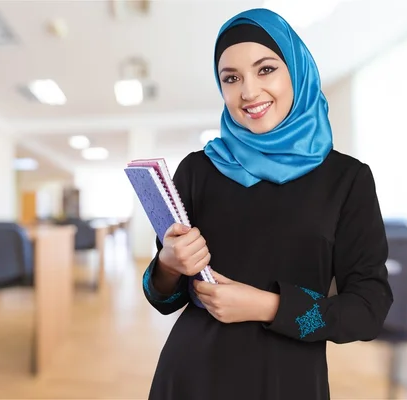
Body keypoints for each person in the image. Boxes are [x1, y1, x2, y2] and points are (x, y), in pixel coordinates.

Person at [142, 8, 393, 400]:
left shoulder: (347, 180)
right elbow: (163, 297)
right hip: (190, 376)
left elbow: (367, 312)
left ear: (296, 70)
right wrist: (168, 265)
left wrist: (268, 306)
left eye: (265, 70)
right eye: (231, 78)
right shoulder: (198, 169)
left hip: (286, 382)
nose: (248, 92)